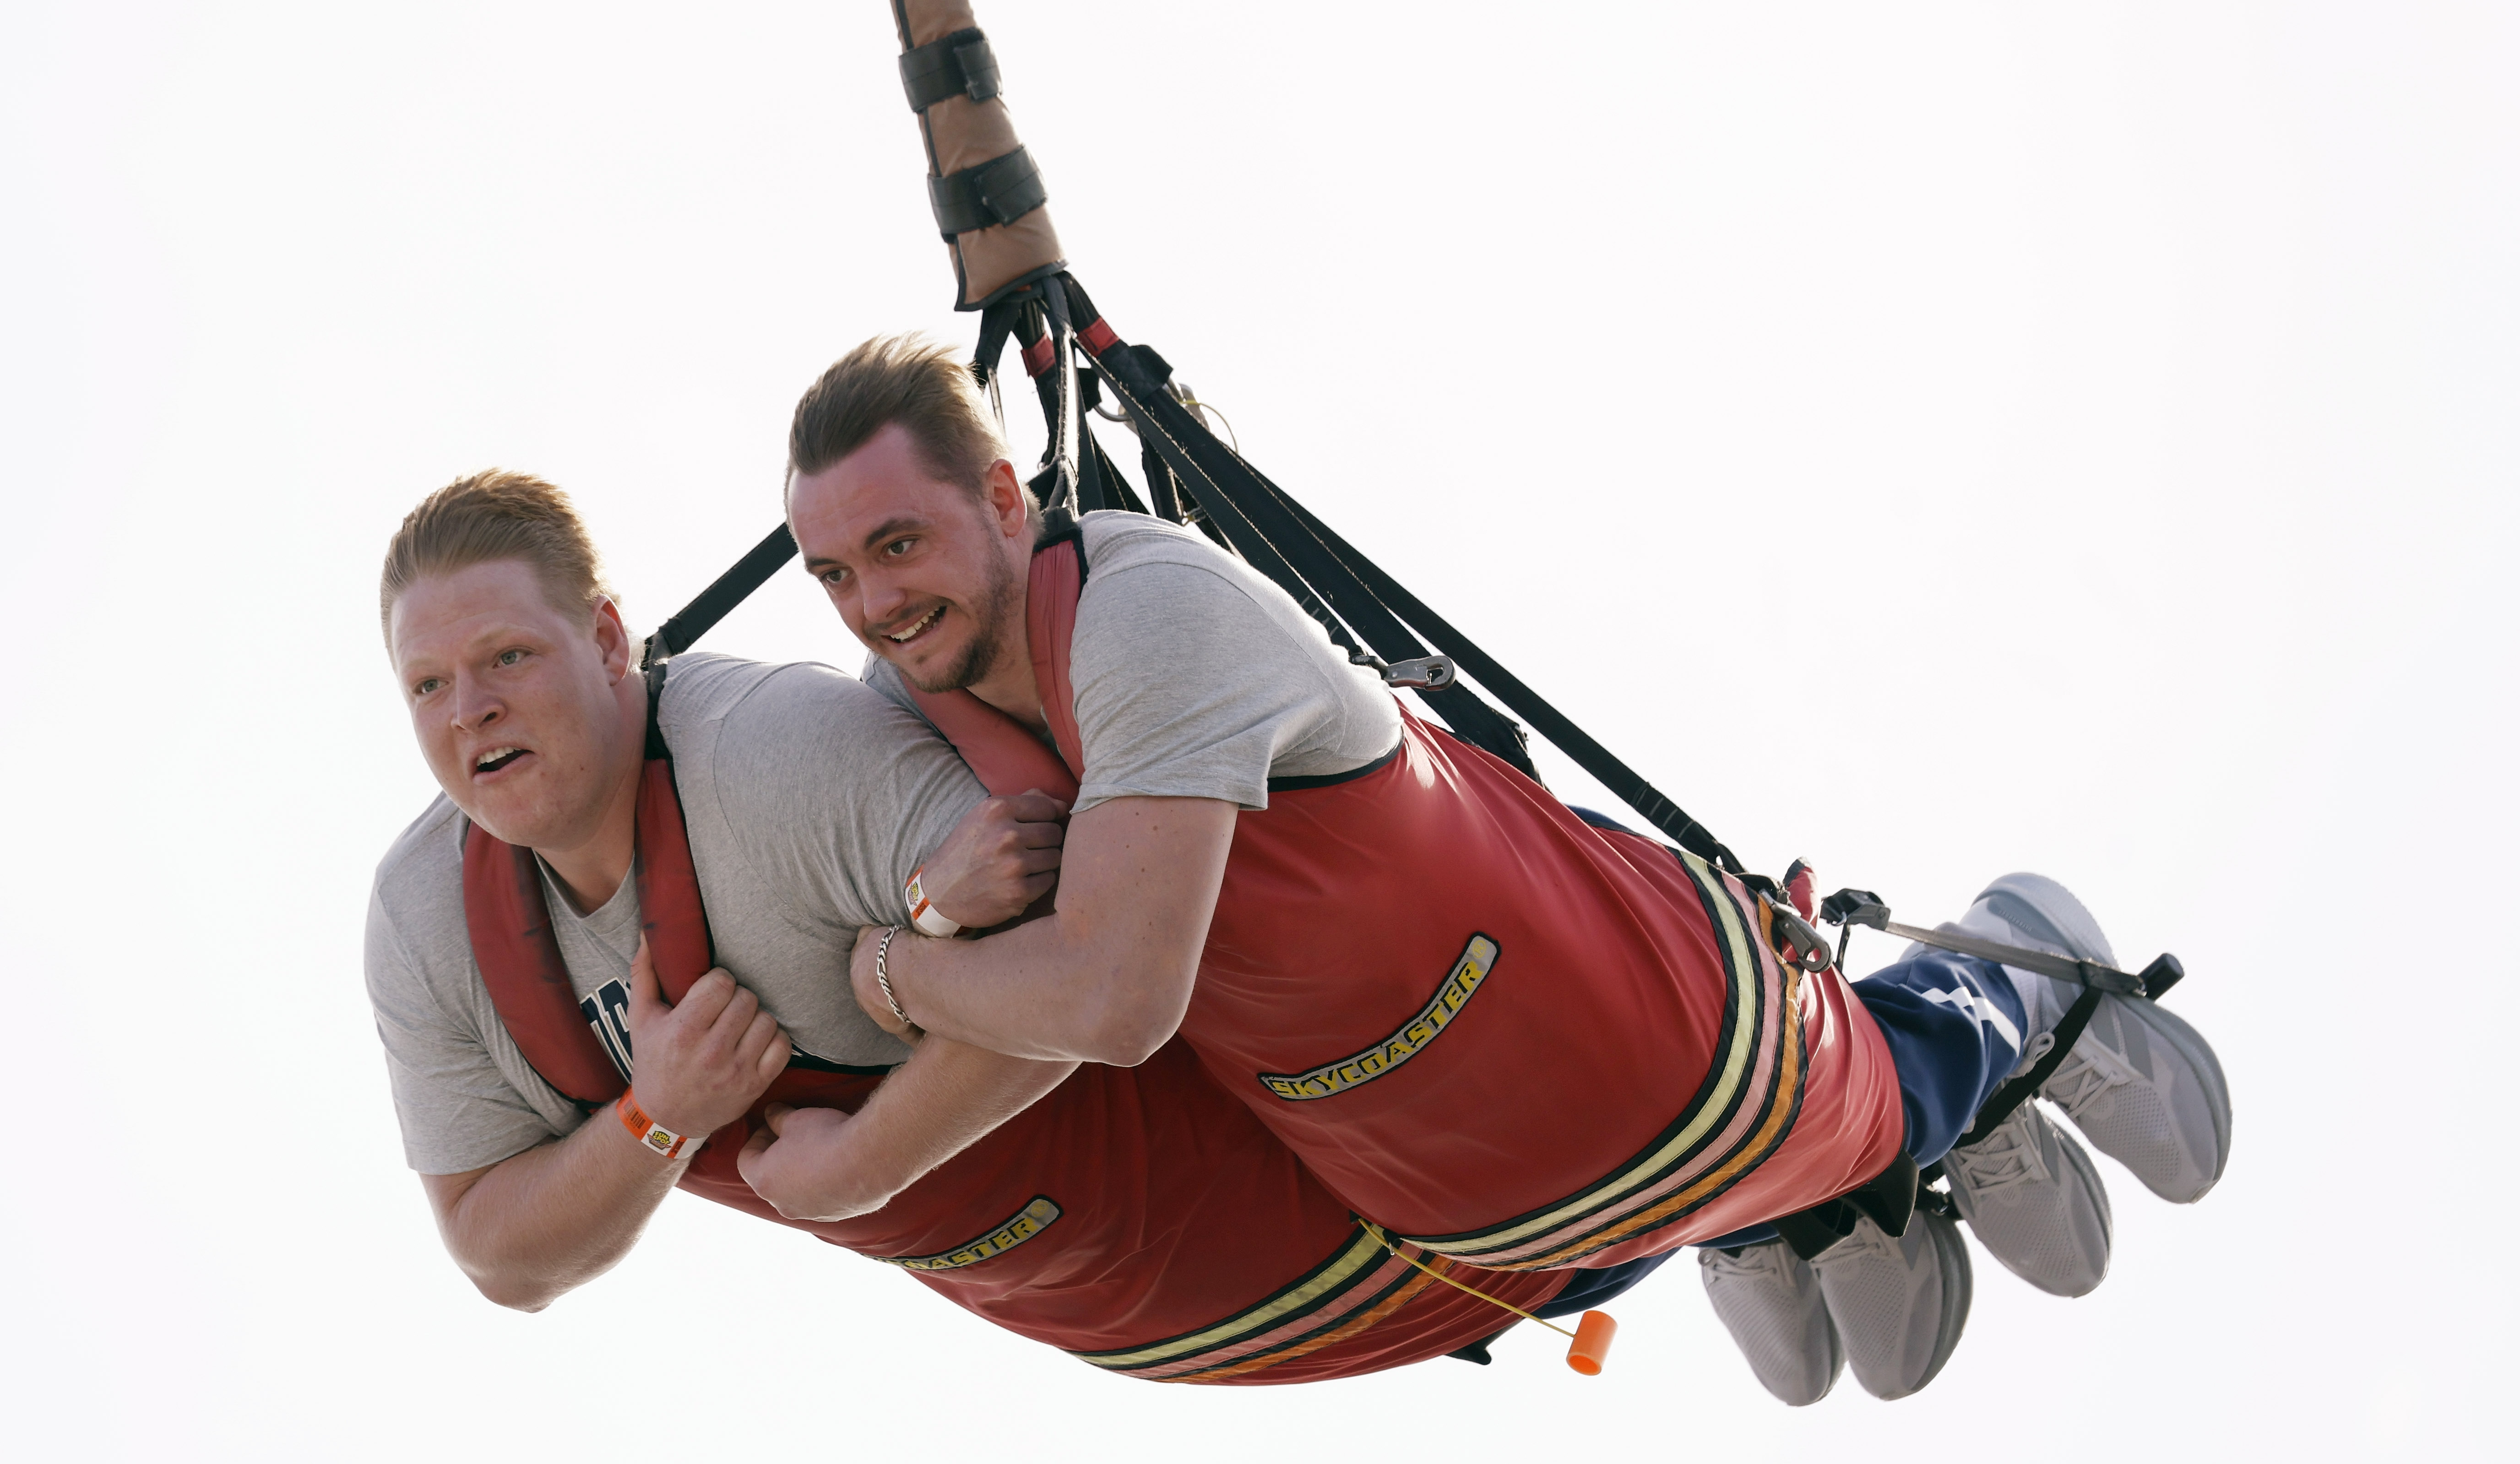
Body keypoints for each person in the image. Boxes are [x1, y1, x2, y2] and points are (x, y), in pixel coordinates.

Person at [776, 335, 2234, 1401]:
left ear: (1007, 497)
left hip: (1631, 1025)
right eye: (833, 574)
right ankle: (1831, 1190)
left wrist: (896, 968)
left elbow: (1111, 998)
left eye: (899, 544)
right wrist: (916, 914)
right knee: (1749, 1314)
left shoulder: (1140, 608)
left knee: (1854, 1112)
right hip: (1472, 1192)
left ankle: (1996, 991)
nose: (873, 605)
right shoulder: (918, 714)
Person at [363, 469, 1662, 1384]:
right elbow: (499, 1256)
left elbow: (1091, 959)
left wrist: (876, 1090)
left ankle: (1829, 1080)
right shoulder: (426, 922)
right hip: (1164, 1319)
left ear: (602, 639)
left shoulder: (777, 756)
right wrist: (659, 1117)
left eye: (506, 660)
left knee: (1652, 1171)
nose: (468, 709)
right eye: (428, 685)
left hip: (1393, 1206)